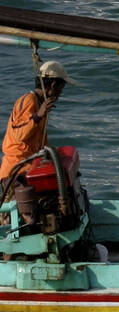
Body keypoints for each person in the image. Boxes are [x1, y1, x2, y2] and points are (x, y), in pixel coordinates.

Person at [0, 62, 71, 223]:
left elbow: (38, 143)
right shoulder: (29, 101)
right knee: (28, 219)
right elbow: (19, 135)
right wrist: (37, 116)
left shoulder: (40, 105)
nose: (60, 93)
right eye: (61, 88)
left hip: (27, 170)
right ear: (53, 85)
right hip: (15, 172)